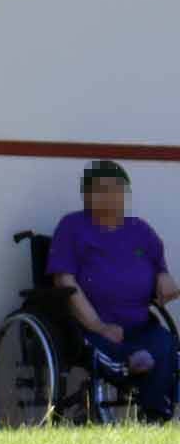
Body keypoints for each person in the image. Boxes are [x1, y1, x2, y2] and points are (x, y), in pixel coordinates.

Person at [47, 160, 179, 422]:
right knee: (128, 356)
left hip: (141, 325)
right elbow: (63, 280)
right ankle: (132, 363)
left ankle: (154, 419)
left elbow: (158, 267)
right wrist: (98, 326)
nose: (111, 195)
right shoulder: (72, 227)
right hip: (92, 328)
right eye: (102, 189)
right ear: (87, 196)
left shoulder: (140, 230)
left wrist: (163, 276)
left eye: (118, 189)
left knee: (167, 348)